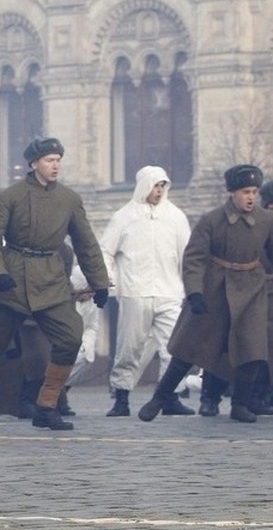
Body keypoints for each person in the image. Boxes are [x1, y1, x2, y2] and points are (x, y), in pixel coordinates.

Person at [0, 137, 111, 432]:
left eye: (58, 159)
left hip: (51, 278)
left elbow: (86, 243)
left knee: (70, 337)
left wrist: (100, 282)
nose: (55, 165)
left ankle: (47, 407)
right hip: (12, 278)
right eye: (48, 160)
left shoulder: (69, 200)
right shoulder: (10, 197)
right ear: (34, 164)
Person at [138, 165, 273, 423]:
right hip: (215, 289)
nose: (251, 197)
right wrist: (195, 293)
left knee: (253, 349)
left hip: (252, 290)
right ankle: (160, 397)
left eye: (255, 192)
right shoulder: (212, 220)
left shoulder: (266, 220)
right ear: (232, 192)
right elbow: (194, 259)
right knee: (189, 348)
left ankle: (240, 405)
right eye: (246, 191)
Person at [99, 166, 193, 418]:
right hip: (134, 292)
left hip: (170, 292)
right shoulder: (124, 217)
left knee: (173, 347)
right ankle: (121, 398)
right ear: (143, 186)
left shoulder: (176, 217)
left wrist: (192, 288)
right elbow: (105, 250)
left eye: (163, 185)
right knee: (129, 348)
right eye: (155, 185)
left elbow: (188, 256)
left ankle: (170, 396)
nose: (159, 190)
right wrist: (108, 279)